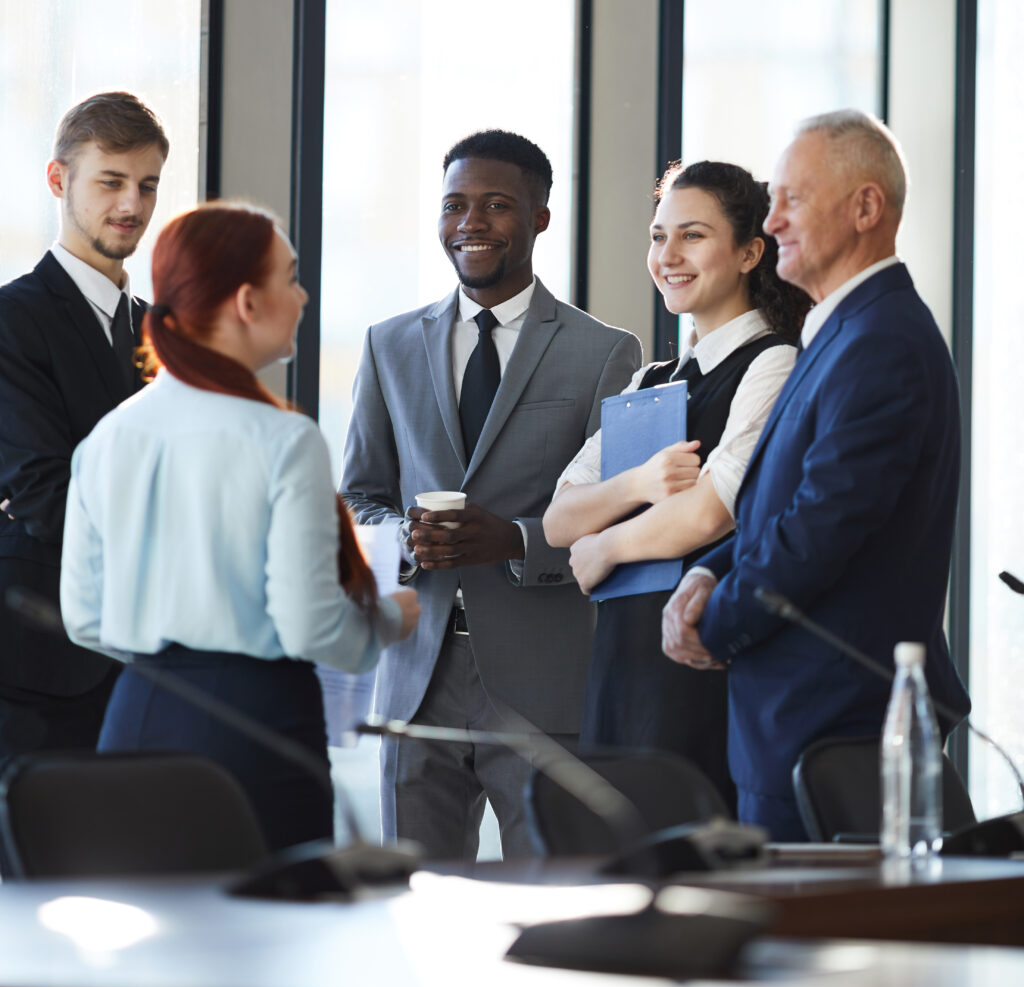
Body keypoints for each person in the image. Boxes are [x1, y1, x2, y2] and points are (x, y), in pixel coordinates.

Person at [60, 202, 420, 851]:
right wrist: (389, 619)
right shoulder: (284, 439)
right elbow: (310, 624)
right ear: (248, 302)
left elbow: (84, 618)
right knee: (265, 942)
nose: (303, 296)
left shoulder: (108, 437)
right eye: (291, 276)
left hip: (134, 718)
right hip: (253, 730)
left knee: (154, 941)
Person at [661, 110, 972, 840]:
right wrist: (708, 570)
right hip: (798, 725)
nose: (772, 222)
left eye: (792, 199)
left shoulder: (882, 341)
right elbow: (784, 500)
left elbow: (822, 528)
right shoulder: (841, 330)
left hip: (833, 732)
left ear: (865, 207)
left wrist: (719, 621)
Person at [341, 129, 641, 860]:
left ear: (540, 216)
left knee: (559, 896)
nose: (470, 222)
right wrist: (403, 542)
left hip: (546, 684)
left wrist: (516, 540)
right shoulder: (388, 345)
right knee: (416, 903)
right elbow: (358, 495)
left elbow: (622, 515)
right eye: (454, 205)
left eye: (497, 205)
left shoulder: (604, 352)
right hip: (418, 680)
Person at [543, 161, 810, 809]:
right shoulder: (652, 380)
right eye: (659, 237)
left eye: (692, 236)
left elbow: (710, 514)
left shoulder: (774, 362)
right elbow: (556, 520)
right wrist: (640, 481)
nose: (668, 256)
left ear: (750, 251)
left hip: (699, 661)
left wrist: (605, 548)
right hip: (621, 663)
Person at [0, 92, 167, 764]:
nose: (132, 205)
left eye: (147, 185)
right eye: (111, 182)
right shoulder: (13, 321)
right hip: (43, 667)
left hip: (156, 664)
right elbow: (44, 493)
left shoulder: (165, 334)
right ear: (58, 180)